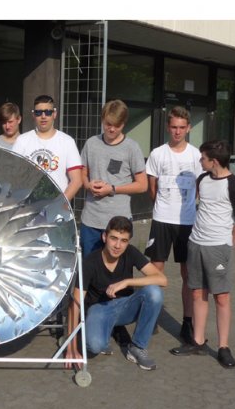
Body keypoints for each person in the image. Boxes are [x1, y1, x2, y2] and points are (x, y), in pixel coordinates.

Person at [170, 140, 235, 368]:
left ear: (213, 161)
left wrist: (228, 246)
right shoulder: (202, 179)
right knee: (197, 294)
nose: (200, 161)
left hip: (219, 248)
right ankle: (198, 341)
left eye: (203, 158)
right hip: (196, 244)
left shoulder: (234, 186)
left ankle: (223, 347)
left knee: (221, 298)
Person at [66, 216, 167, 371]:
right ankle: (103, 331)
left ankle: (137, 347)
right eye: (113, 238)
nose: (118, 245)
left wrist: (127, 282)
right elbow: (75, 304)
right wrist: (71, 348)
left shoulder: (131, 252)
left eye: (123, 240)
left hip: (124, 306)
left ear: (128, 242)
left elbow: (162, 280)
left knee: (154, 292)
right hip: (98, 309)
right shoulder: (90, 262)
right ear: (104, 237)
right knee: (95, 346)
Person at [144, 106, 202, 344]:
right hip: (161, 220)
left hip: (187, 223)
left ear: (188, 128)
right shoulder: (157, 154)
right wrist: (163, 207)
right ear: (168, 127)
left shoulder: (196, 156)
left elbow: (199, 188)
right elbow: (152, 189)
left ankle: (187, 322)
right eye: (174, 127)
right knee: (155, 270)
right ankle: (152, 316)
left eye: (182, 127)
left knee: (187, 274)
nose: (177, 131)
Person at [79, 99, 147, 256]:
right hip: (91, 219)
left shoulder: (132, 147)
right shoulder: (91, 143)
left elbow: (142, 185)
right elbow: (82, 172)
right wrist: (88, 185)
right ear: (102, 119)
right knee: (89, 265)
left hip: (118, 222)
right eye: (108, 124)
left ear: (124, 124)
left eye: (117, 126)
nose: (111, 129)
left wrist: (112, 189)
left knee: (116, 266)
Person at [12, 95, 83, 201]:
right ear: (33, 115)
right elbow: (12, 175)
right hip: (27, 206)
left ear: (54, 114)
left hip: (57, 206)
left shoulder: (67, 141)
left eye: (48, 112)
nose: (43, 116)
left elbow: (77, 181)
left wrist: (60, 204)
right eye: (38, 112)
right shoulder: (22, 141)